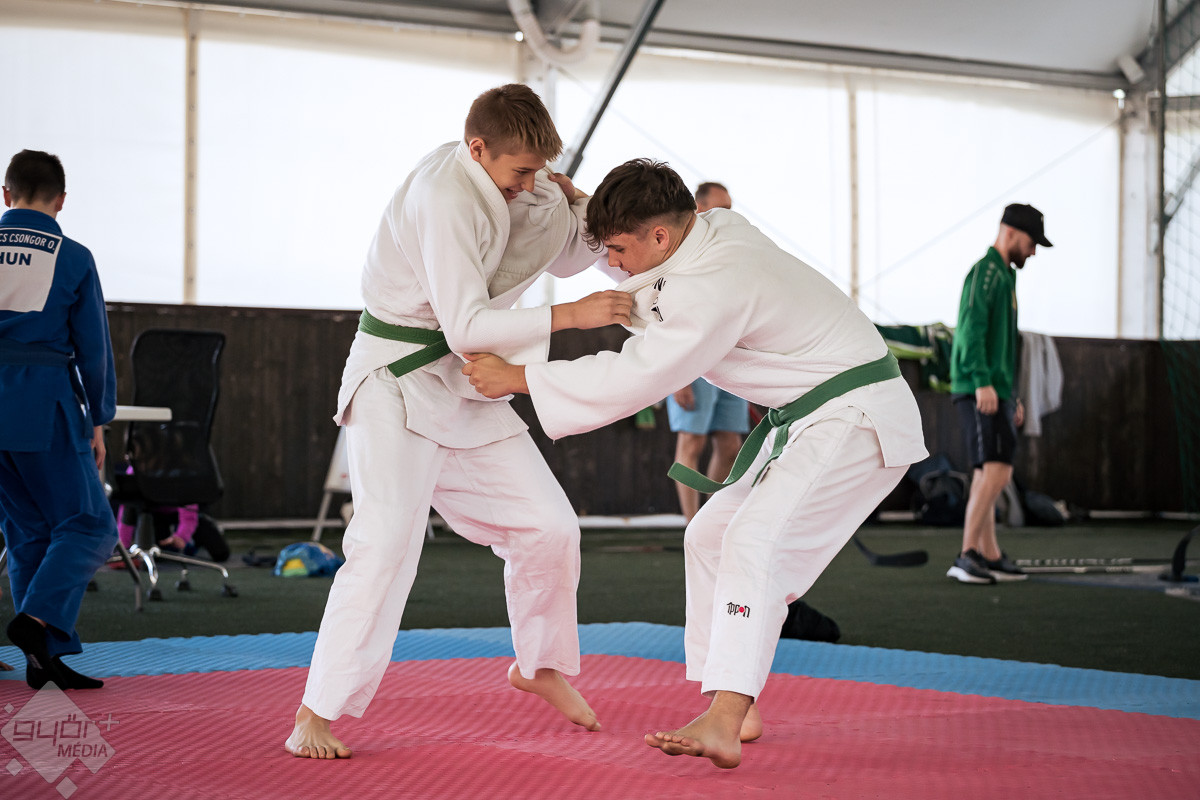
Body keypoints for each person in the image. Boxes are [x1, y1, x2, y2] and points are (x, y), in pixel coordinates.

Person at [462, 158, 927, 769]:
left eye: (618, 249)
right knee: (709, 536)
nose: (613, 263)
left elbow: (637, 374)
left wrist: (520, 377)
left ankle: (726, 721)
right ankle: (734, 704)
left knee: (754, 540)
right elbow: (654, 271)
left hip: (856, 418)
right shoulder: (708, 230)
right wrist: (586, 203)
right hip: (812, 419)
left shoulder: (717, 283)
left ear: (660, 235)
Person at [285, 84, 632, 759]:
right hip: (396, 380)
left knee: (549, 526)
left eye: (538, 171)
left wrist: (579, 201)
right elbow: (467, 325)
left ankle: (539, 664)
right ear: (478, 149)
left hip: (466, 385)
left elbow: (568, 253)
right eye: (520, 172)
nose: (529, 185)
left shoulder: (521, 181)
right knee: (385, 545)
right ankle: (315, 712)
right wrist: (573, 316)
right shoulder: (442, 196)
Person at [0, 149, 118, 691]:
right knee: (91, 526)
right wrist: (99, 417)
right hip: (41, 402)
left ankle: (42, 658)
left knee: (29, 530)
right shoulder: (72, 257)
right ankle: (35, 621)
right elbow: (93, 348)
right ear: (61, 200)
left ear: (6, 194)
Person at [945, 203, 1051, 585]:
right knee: (996, 470)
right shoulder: (985, 273)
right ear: (1010, 232)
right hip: (979, 387)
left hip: (995, 388)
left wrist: (1010, 394)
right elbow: (970, 330)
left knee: (987, 471)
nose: (1033, 251)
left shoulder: (1005, 276)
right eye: (1031, 242)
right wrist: (982, 382)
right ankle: (966, 555)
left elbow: (1001, 345)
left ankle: (988, 553)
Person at [666, 181, 750, 522]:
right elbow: (667, 314)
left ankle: (709, 522)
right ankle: (691, 526)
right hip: (692, 363)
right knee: (692, 443)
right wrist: (678, 377)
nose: (728, 214)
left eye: (730, 207)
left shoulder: (734, 250)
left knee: (730, 445)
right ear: (698, 208)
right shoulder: (677, 252)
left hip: (729, 360)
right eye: (721, 207)